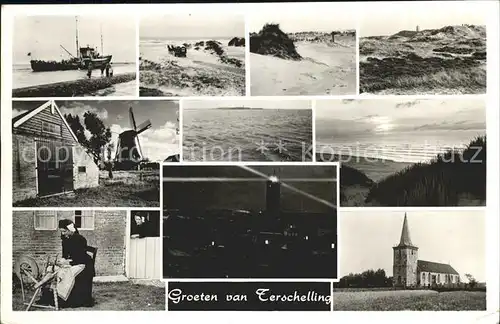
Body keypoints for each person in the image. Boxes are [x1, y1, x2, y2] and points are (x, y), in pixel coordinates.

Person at [39, 219, 95, 308]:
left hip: (84, 263)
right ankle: (58, 296)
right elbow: (65, 255)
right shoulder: (65, 240)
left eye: (64, 231)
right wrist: (62, 260)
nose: (63, 233)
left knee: (68, 273)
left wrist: (68, 262)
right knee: (56, 270)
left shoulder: (80, 239)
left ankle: (68, 299)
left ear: (70, 230)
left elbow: (81, 257)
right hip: (73, 262)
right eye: (61, 232)